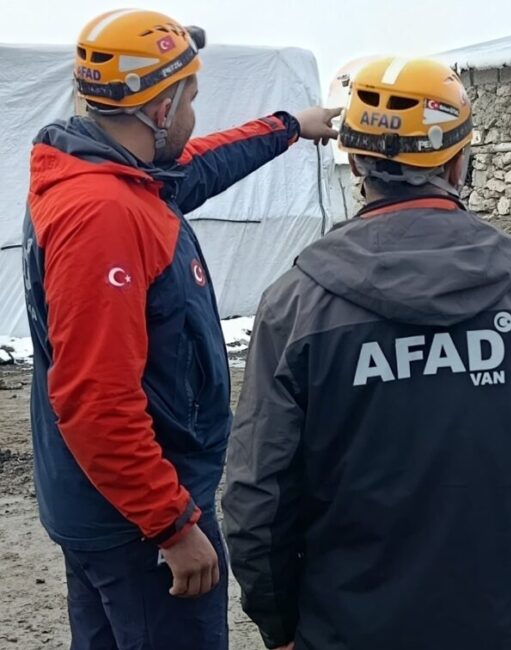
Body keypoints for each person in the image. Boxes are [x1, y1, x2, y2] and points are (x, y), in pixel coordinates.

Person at [222, 57, 511, 650]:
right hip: (496, 620)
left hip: (345, 626)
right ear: (457, 160)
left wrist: (277, 620)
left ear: (355, 160)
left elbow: (258, 490)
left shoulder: (297, 303)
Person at [22, 9, 340, 650]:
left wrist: (287, 128)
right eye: (191, 98)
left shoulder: (113, 175)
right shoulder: (104, 216)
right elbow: (95, 399)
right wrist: (172, 525)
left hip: (105, 503)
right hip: (135, 524)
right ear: (160, 108)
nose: (194, 114)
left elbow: (197, 165)